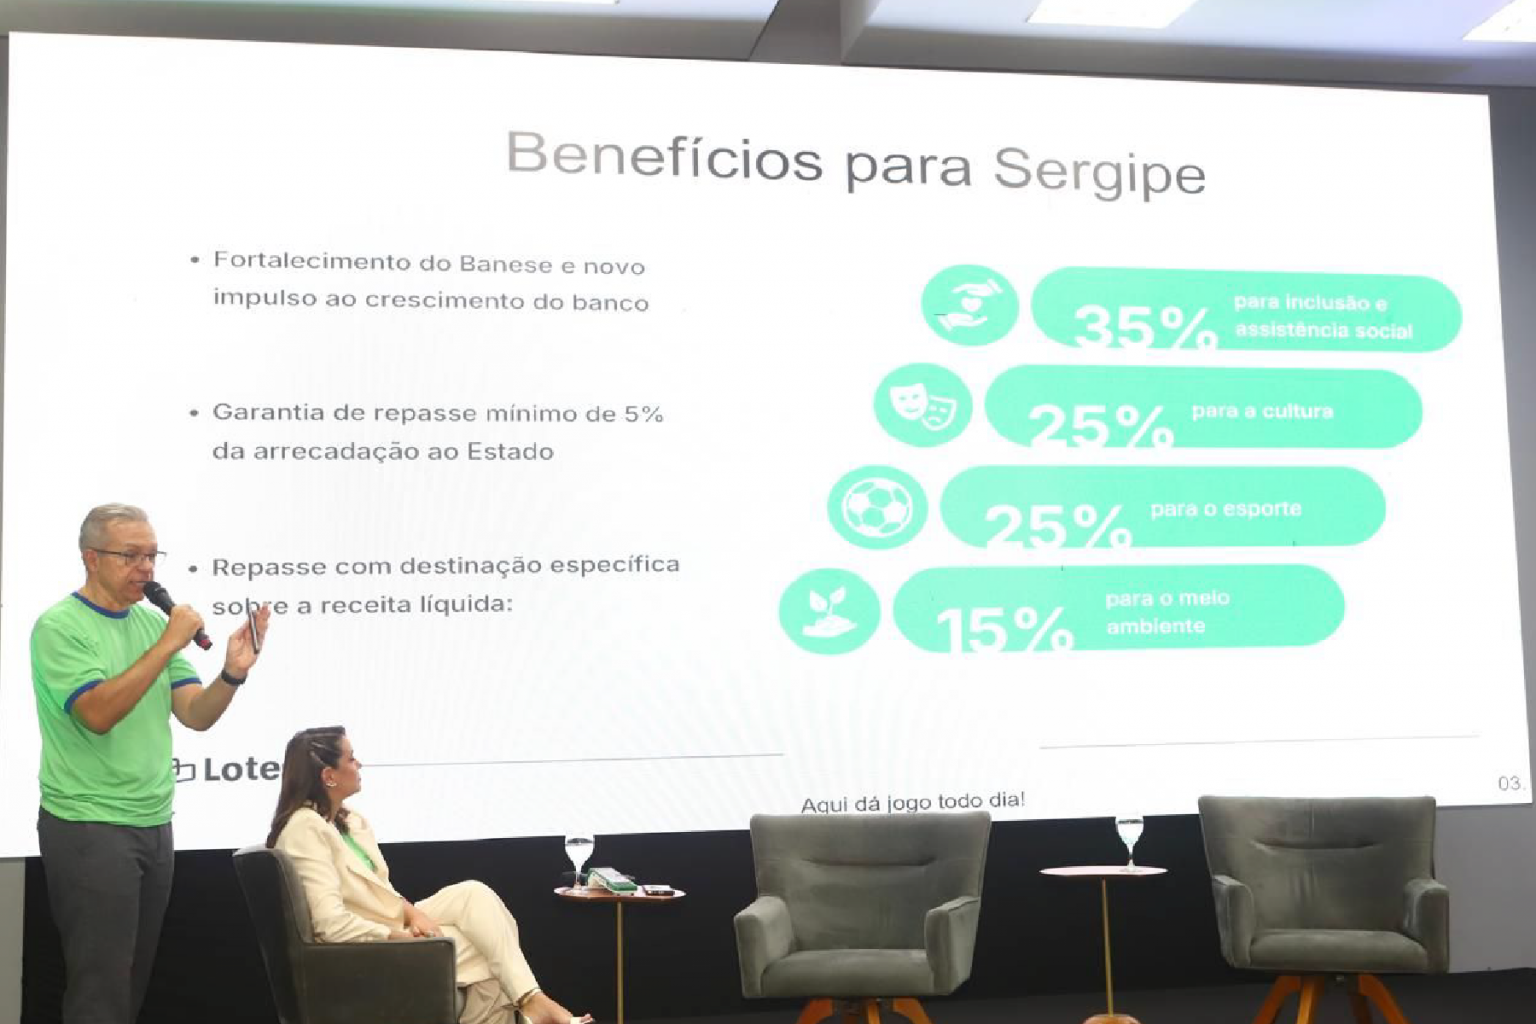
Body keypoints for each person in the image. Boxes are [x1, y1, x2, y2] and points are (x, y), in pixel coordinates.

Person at [31, 502, 270, 1024]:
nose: (145, 568)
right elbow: (97, 713)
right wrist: (166, 642)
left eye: (152, 556)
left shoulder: (150, 624)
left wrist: (232, 673)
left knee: (132, 984)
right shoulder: (60, 627)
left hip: (154, 822)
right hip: (90, 825)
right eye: (131, 556)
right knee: (100, 992)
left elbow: (195, 714)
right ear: (91, 558)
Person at [267, 726, 592, 1024]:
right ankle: (534, 1002)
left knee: (474, 895)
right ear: (328, 776)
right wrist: (398, 937)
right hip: (362, 949)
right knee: (491, 952)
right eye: (351, 759)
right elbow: (330, 924)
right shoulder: (304, 828)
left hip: (391, 920)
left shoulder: (350, 821)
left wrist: (413, 913)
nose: (359, 764)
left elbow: (380, 889)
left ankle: (534, 1003)